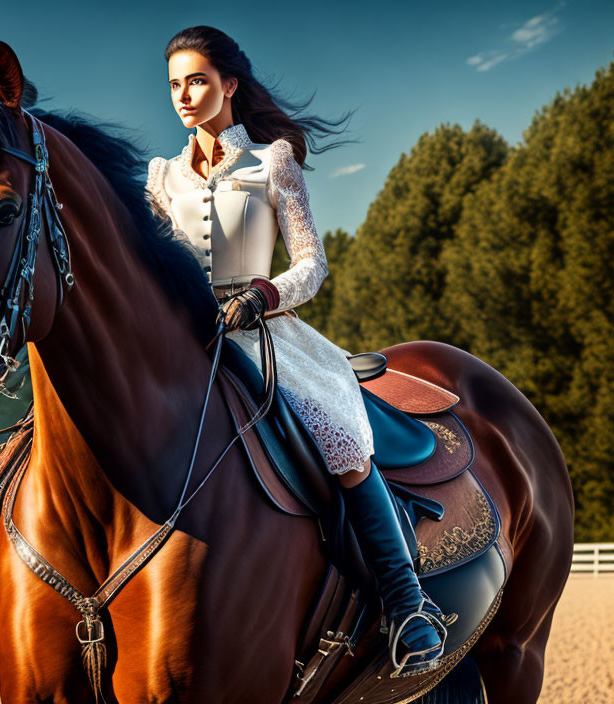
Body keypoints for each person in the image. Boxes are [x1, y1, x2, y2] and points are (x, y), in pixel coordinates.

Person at [145, 25, 453, 675]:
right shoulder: (161, 177)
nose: (183, 94)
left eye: (197, 80)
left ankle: (408, 605)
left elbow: (312, 265)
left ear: (229, 84)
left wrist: (263, 293)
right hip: (184, 339)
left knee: (341, 440)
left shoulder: (271, 162)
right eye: (174, 84)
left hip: (262, 330)